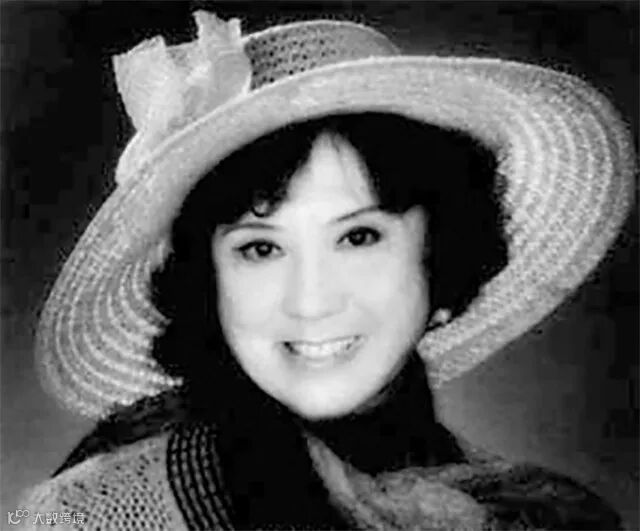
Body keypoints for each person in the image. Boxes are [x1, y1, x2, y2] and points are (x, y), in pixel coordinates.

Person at [19, 10, 635, 530]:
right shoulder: (90, 516)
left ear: (443, 260)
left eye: (358, 237)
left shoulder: (549, 518)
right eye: (260, 249)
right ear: (208, 288)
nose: (311, 300)